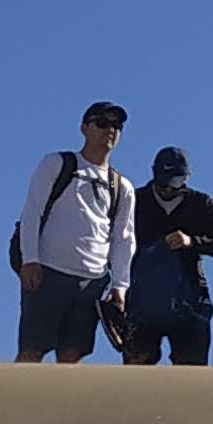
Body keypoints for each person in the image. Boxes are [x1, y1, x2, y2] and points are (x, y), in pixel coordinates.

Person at [11, 100, 138, 365]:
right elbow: (32, 212)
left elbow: (124, 239)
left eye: (117, 126)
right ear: (84, 128)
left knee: (72, 355)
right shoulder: (57, 164)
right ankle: (16, 402)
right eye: (102, 123)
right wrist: (30, 259)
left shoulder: (122, 186)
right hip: (48, 272)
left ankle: (58, 406)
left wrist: (120, 286)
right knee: (31, 351)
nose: (110, 131)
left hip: (92, 282)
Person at [114, 147, 213, 365]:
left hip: (190, 299)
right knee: (136, 372)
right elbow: (114, 244)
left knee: (192, 373)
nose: (170, 188)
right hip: (142, 300)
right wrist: (117, 287)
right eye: (164, 181)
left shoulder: (201, 203)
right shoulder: (135, 200)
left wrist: (191, 241)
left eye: (177, 181)